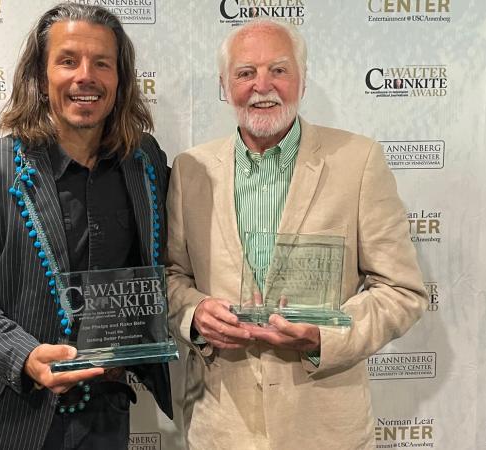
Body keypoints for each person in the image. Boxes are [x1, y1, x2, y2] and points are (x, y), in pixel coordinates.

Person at [167, 19, 427, 449]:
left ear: (302, 81)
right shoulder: (191, 169)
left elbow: (401, 291)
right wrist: (195, 314)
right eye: (245, 73)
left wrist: (324, 336)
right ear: (224, 85)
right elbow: (172, 276)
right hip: (222, 428)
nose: (262, 86)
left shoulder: (358, 162)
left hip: (325, 428)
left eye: (279, 71)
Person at [0, 3, 172, 449]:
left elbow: (157, 268)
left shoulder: (145, 163)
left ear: (120, 79)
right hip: (6, 421)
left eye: (103, 63)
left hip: (105, 418)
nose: (86, 76)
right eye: (68, 61)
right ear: (40, 77)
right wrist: (25, 357)